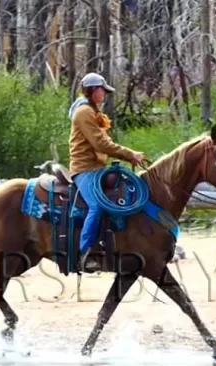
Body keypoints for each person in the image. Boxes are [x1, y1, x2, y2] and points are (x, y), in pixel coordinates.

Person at [67, 72, 145, 271]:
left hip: (96, 168)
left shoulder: (92, 111)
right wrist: (129, 154)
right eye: (102, 90)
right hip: (84, 168)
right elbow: (100, 143)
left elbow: (103, 144)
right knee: (97, 205)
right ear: (93, 90)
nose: (105, 94)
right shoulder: (84, 112)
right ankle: (85, 252)